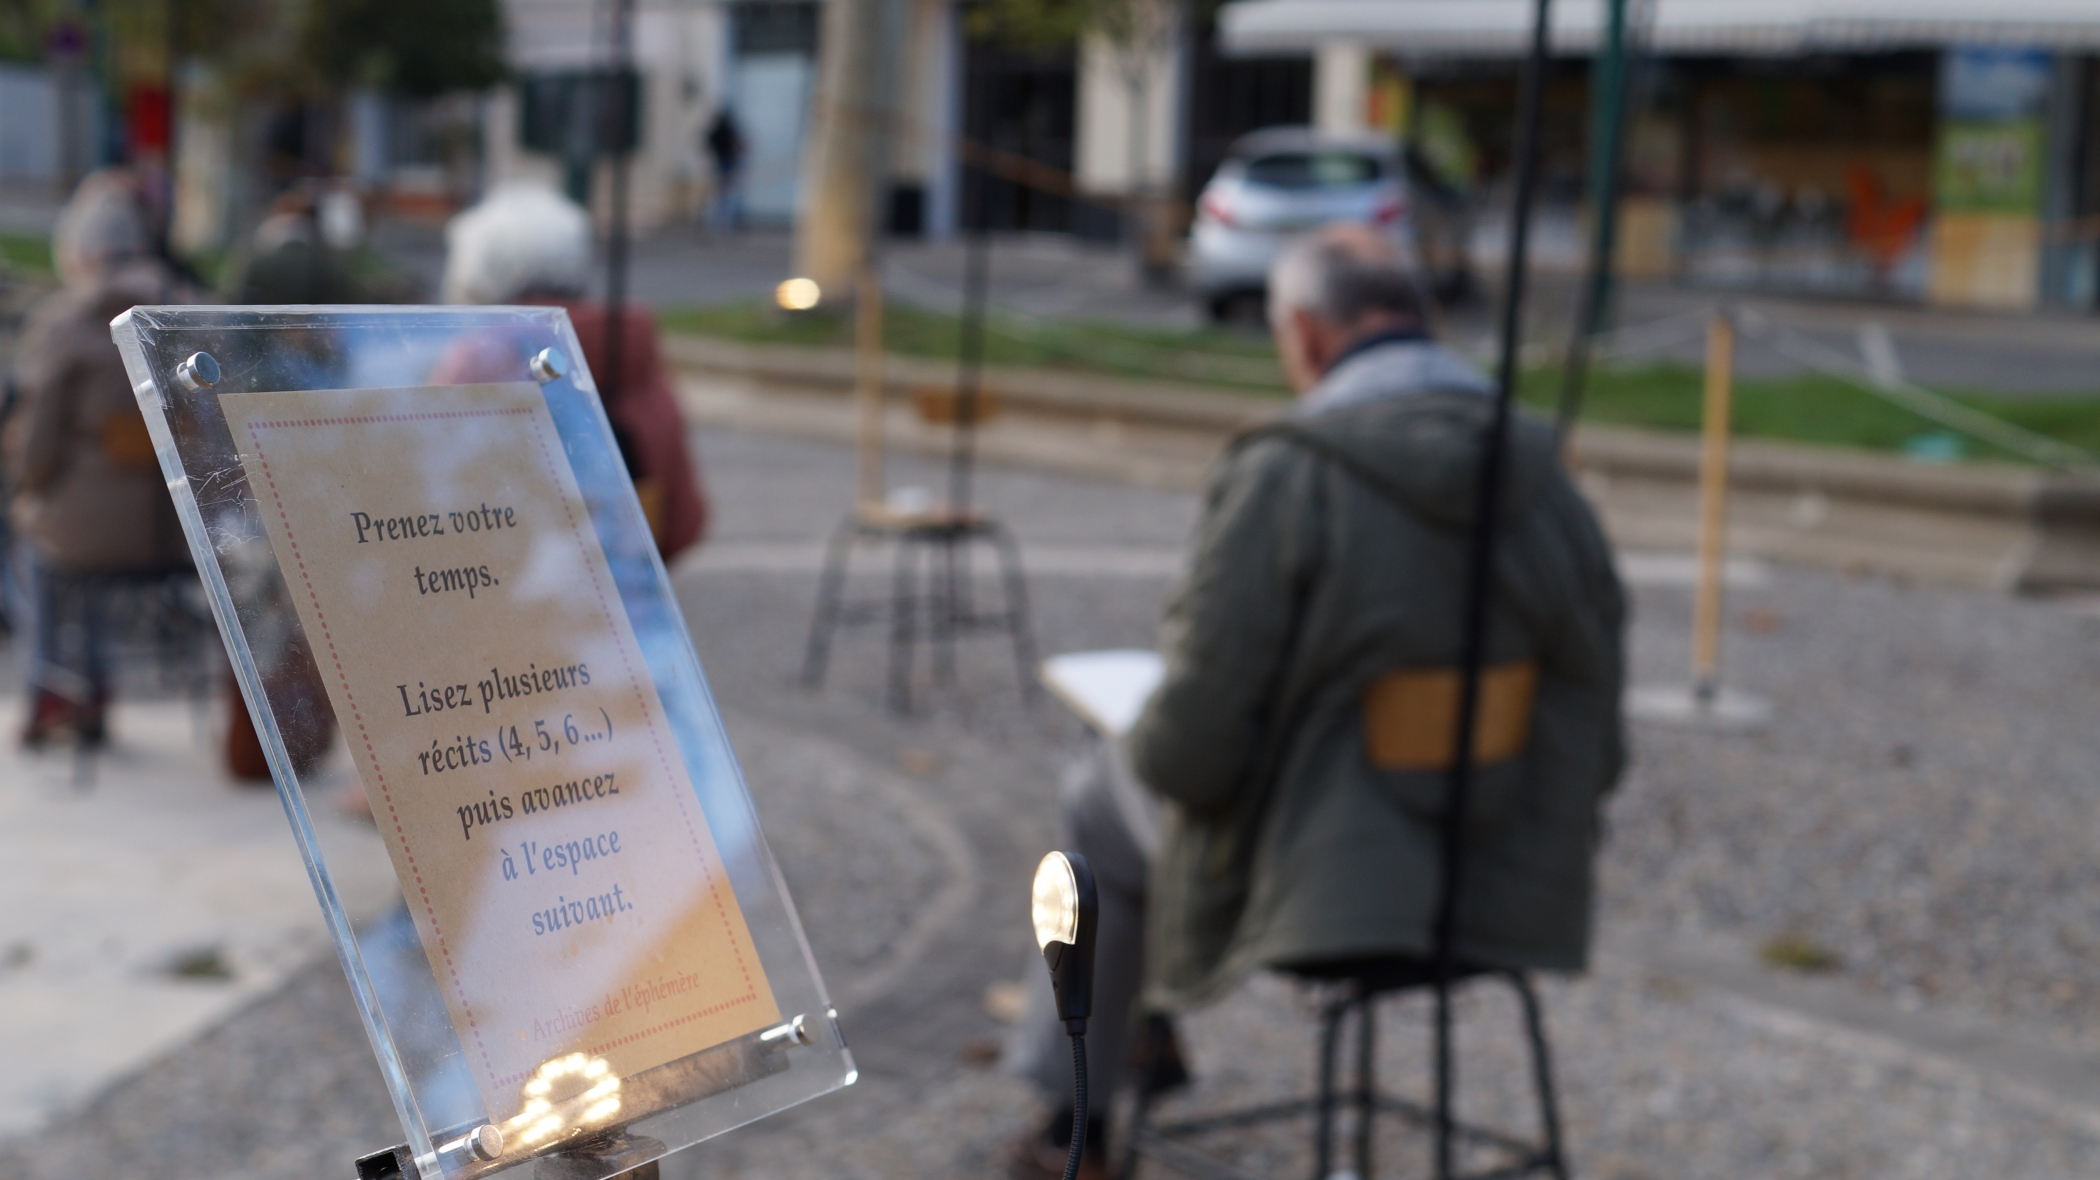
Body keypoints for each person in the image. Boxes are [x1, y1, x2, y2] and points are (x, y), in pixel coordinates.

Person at [1002, 224, 1627, 1179]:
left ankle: (1076, 1120)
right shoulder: (1546, 479)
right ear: (1417, 318)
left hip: (1327, 891)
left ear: (1304, 332)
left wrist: (1148, 728)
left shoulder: (1288, 473)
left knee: (1097, 795)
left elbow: (1190, 753)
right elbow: (1602, 733)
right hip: (1502, 867)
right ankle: (1140, 1043)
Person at [4, 170, 194, 747]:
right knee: (67, 539)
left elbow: (36, 450)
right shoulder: (186, 311)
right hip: (182, 538)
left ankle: (54, 689)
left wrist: (25, 490)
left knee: (34, 544)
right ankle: (92, 681)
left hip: (91, 539)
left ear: (81, 252)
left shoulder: (67, 323)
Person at [434, 181, 709, 562]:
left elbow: (432, 497)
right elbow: (683, 518)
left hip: (515, 595)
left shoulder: (482, 358)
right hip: (627, 601)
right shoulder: (628, 346)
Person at [705, 107, 746, 233]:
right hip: (724, 164)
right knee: (725, 193)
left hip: (724, 164)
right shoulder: (727, 130)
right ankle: (724, 222)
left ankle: (723, 221)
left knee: (723, 193)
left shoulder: (723, 130)